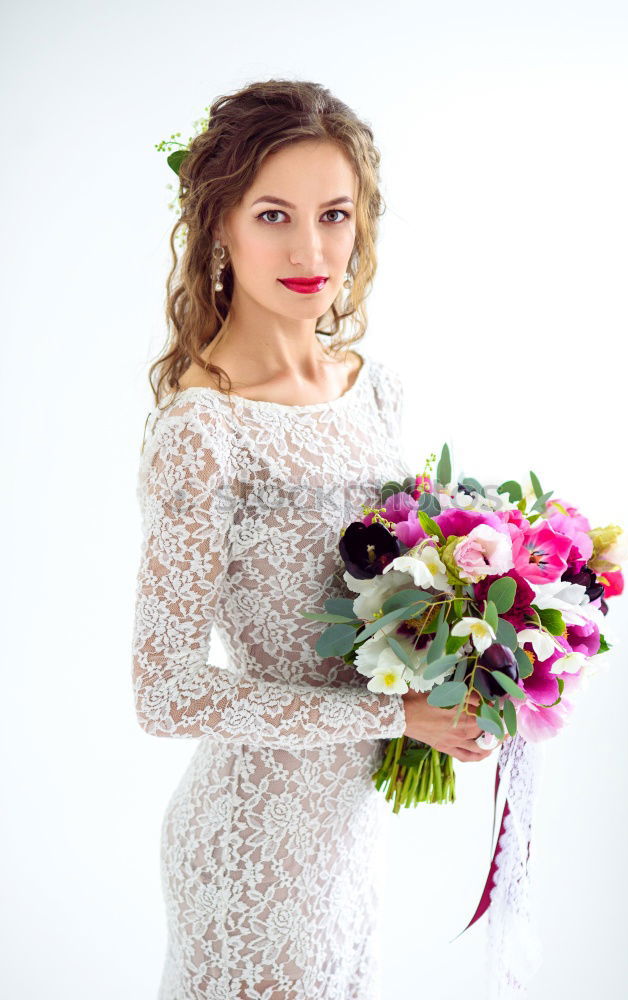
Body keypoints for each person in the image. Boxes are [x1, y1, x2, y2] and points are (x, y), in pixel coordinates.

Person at [131, 78, 495, 1000]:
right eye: (274, 215)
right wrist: (395, 717)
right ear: (219, 226)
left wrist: (463, 666)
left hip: (349, 830)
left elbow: (396, 587)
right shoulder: (202, 430)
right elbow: (163, 692)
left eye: (334, 215)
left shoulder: (374, 388)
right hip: (249, 840)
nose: (309, 249)